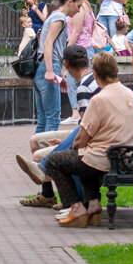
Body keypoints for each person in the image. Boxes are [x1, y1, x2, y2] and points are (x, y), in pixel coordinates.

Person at [44, 51, 133, 228]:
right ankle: (94, 206)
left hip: (108, 159)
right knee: (85, 156)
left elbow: (80, 140)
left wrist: (75, 146)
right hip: (130, 157)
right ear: (117, 70)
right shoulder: (129, 93)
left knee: (54, 160)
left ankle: (76, 208)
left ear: (95, 74)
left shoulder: (99, 99)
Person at [17, 45, 100, 208]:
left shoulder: (84, 87)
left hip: (90, 137)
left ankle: (72, 200)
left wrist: (66, 144)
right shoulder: (92, 80)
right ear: (87, 61)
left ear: (65, 64)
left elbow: (86, 127)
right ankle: (47, 195)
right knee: (35, 140)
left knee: (38, 155)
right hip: (88, 132)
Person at [33, 0, 83, 135]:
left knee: (44, 119)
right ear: (70, 1)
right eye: (78, 6)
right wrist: (50, 71)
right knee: (53, 118)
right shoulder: (59, 18)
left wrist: (58, 72)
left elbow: (49, 46)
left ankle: (37, 149)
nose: (79, 10)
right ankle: (47, 150)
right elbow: (48, 43)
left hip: (41, 68)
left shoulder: (53, 16)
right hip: (47, 68)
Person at [63, 0, 96, 122]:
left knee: (73, 80)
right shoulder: (85, 3)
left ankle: (76, 113)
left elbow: (76, 32)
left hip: (80, 47)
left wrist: (66, 52)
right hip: (85, 46)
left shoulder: (80, 6)